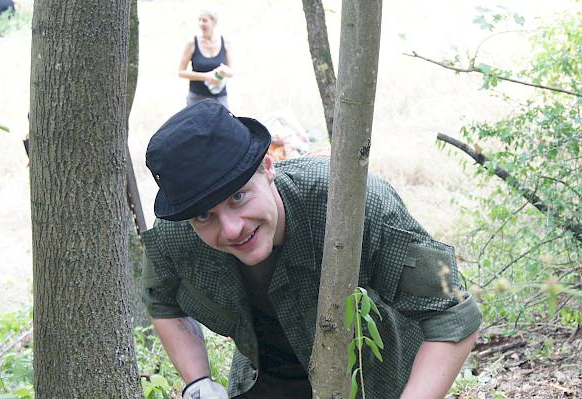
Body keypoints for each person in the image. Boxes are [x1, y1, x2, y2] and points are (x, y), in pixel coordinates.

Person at [142, 100, 482, 399]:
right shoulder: (177, 236)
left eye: (238, 196)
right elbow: (162, 301)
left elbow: (452, 314)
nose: (232, 228)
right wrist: (198, 382)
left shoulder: (352, 207)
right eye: (205, 215)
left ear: (268, 167)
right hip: (266, 384)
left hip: (374, 383)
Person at [178, 9, 234, 110]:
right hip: (196, 98)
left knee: (225, 125)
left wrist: (224, 71)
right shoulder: (192, 43)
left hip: (220, 98)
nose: (201, 23)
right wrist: (207, 76)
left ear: (214, 23)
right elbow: (181, 72)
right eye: (199, 20)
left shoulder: (225, 42)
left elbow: (231, 71)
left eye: (205, 20)